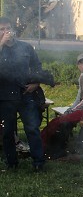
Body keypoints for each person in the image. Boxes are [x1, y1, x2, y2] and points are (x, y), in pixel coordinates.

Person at [0, 17, 53, 172]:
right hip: (4, 97)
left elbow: (37, 67)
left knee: (32, 128)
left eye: (8, 28)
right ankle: (12, 163)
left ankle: (38, 162)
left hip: (25, 95)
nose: (6, 32)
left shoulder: (25, 48)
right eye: (2, 29)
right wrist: (2, 44)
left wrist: (36, 83)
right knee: (8, 131)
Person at [41, 54, 83, 159]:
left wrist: (72, 111)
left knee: (60, 122)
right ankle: (50, 148)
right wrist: (71, 109)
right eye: (81, 63)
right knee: (59, 121)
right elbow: (79, 97)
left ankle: (53, 150)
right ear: (78, 65)